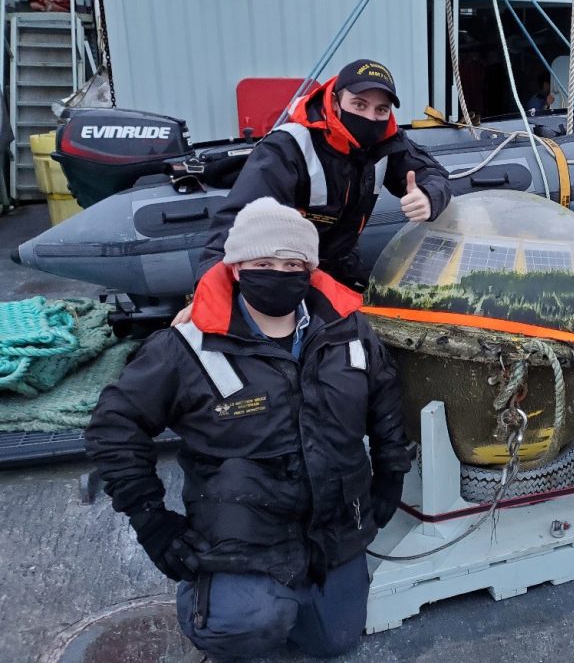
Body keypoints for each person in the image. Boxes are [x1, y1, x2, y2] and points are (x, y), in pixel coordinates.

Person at [86, 197, 411, 658]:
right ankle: (219, 598)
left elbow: (385, 400)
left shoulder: (350, 331)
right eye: (263, 262)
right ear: (236, 268)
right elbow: (113, 426)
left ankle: (306, 595)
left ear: (310, 269)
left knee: (336, 642)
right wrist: (152, 521)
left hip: (336, 521)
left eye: (292, 263)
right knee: (242, 626)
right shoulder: (185, 347)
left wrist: (390, 474)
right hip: (243, 530)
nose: (278, 273)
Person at [202, 57, 451, 291]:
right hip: (288, 272)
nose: (370, 117)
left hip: (343, 266)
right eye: (359, 105)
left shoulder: (386, 140)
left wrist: (428, 195)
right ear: (334, 102)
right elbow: (237, 222)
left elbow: (431, 172)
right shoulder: (287, 148)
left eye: (381, 110)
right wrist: (211, 290)